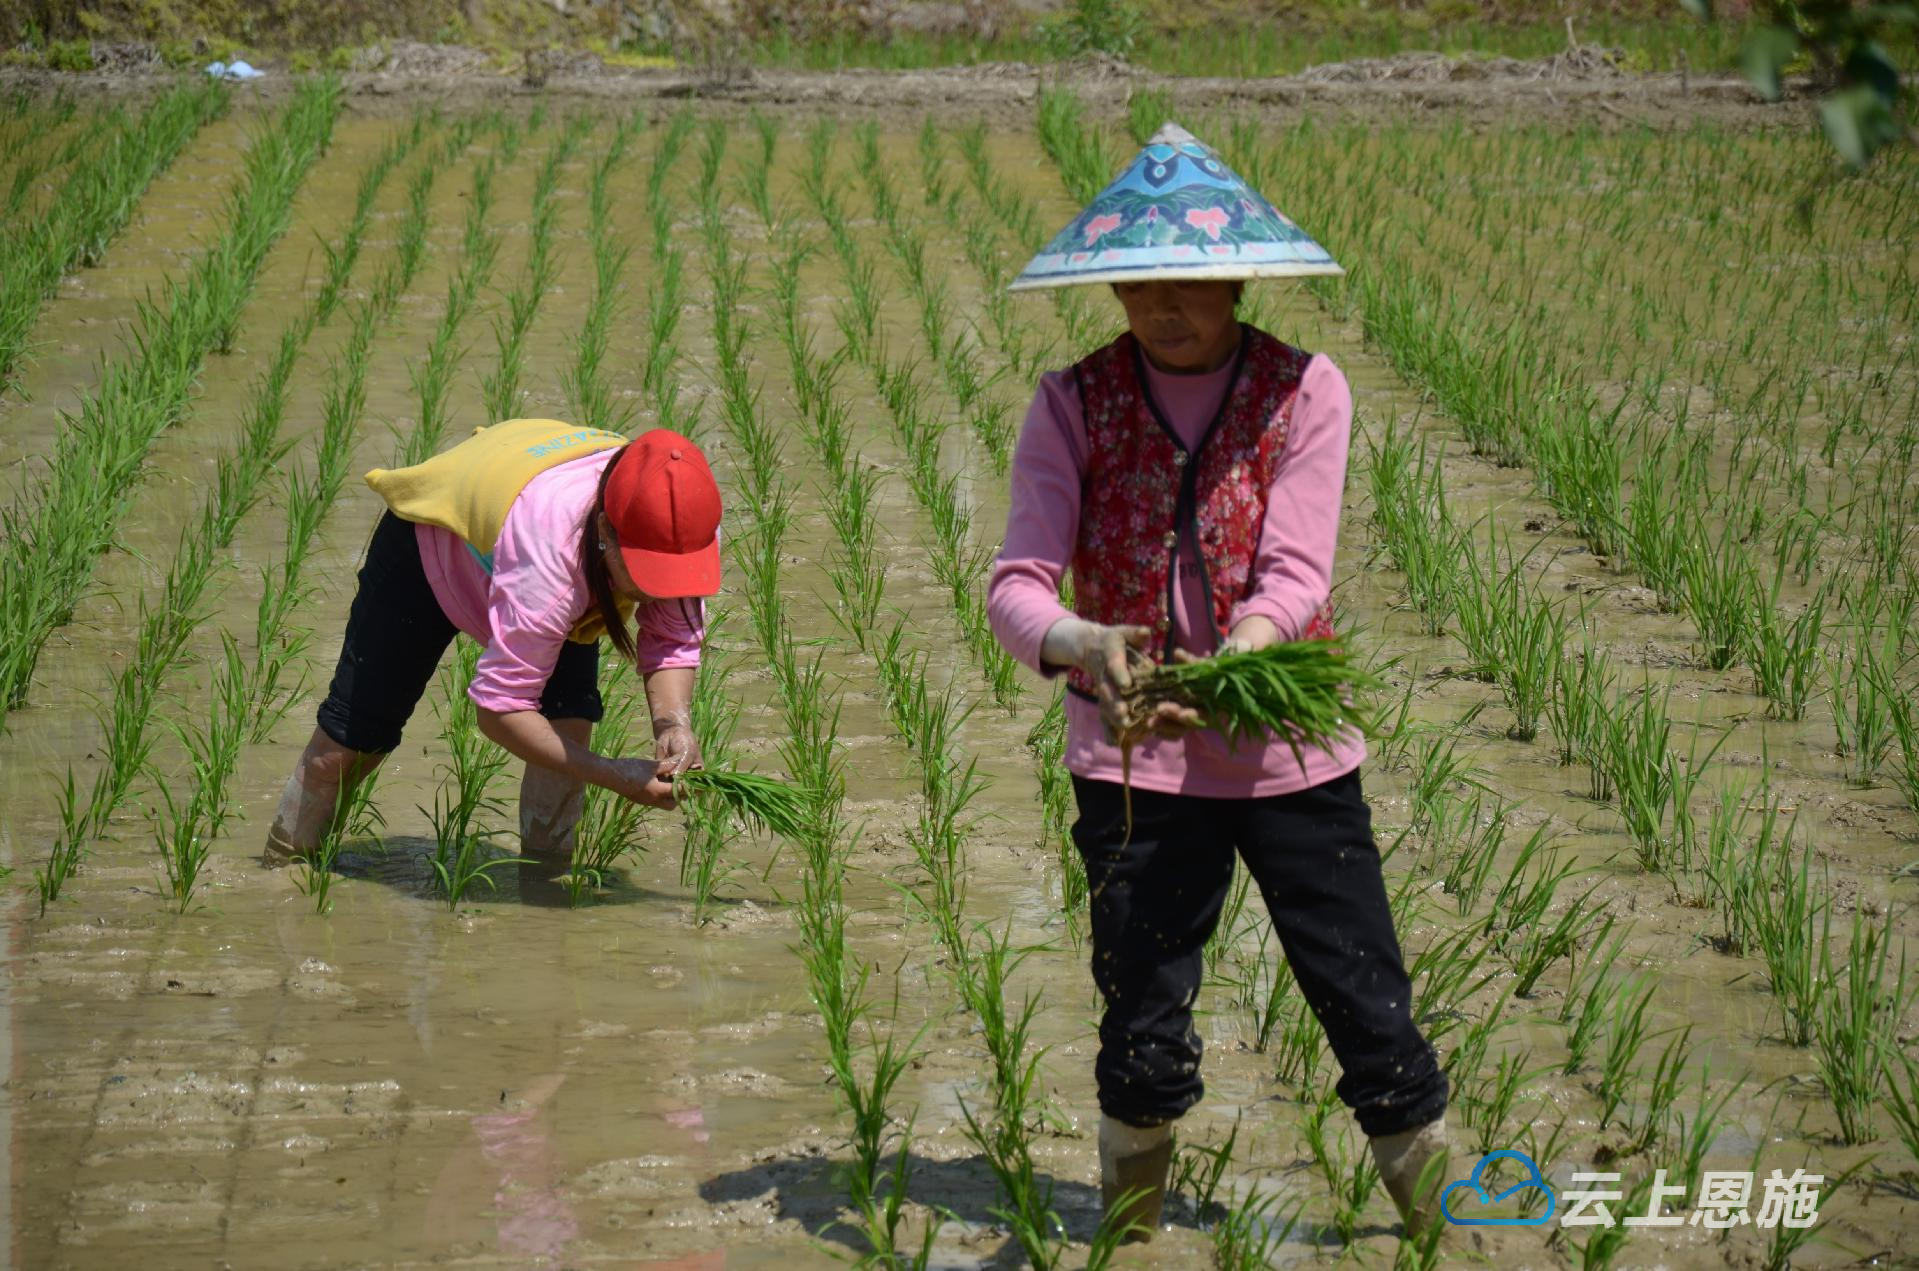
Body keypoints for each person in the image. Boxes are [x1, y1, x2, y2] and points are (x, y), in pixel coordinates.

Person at [987, 125, 1450, 1241]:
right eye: (1136, 280)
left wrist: (1241, 658)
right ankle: (1129, 1235)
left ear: (1237, 276)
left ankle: (1442, 1227)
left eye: (1186, 279)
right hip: (1133, 763)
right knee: (1140, 1023)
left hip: (1289, 754)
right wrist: (1079, 640)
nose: (1160, 303)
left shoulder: (1303, 389)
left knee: (1366, 1007)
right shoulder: (1072, 399)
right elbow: (1014, 585)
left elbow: (1294, 571)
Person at [265, 420, 721, 866]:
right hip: (433, 540)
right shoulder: (552, 559)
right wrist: (614, 775)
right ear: (606, 531)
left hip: (543, 535)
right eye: (647, 576)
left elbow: (673, 637)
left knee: (568, 729)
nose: (660, 592)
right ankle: (283, 871)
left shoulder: (683, 518)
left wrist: (672, 725)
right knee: (350, 745)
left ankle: (546, 891)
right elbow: (500, 708)